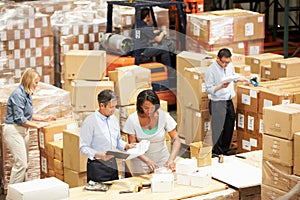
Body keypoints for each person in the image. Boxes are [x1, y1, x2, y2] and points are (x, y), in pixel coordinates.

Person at [4, 68, 57, 184]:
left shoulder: (27, 94)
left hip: (23, 130)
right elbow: (20, 119)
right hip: (14, 130)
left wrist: (44, 118)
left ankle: (22, 191)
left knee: (25, 163)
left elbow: (28, 115)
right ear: (29, 80)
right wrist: (37, 126)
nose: (37, 85)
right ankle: (12, 195)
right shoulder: (18, 95)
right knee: (21, 164)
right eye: (36, 82)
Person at [79, 89, 136, 183]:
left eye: (115, 106)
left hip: (112, 164)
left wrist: (126, 145)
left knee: (114, 192)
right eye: (111, 107)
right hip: (97, 166)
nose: (114, 110)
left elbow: (117, 140)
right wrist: (101, 156)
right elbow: (83, 147)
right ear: (102, 105)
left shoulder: (113, 119)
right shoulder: (90, 122)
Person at [122, 89, 181, 175]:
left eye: (152, 108)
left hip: (162, 160)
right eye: (146, 108)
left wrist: (171, 159)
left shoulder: (164, 116)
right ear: (140, 106)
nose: (149, 111)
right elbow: (133, 146)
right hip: (141, 163)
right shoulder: (132, 120)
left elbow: (176, 139)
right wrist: (148, 161)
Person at [205, 48, 250, 156]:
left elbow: (233, 77)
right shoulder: (211, 70)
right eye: (223, 62)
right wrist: (221, 86)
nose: (225, 64)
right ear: (217, 59)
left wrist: (243, 79)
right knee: (218, 128)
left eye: (227, 62)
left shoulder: (230, 66)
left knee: (230, 126)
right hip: (217, 102)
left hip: (228, 100)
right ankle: (217, 152)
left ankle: (224, 151)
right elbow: (208, 89)